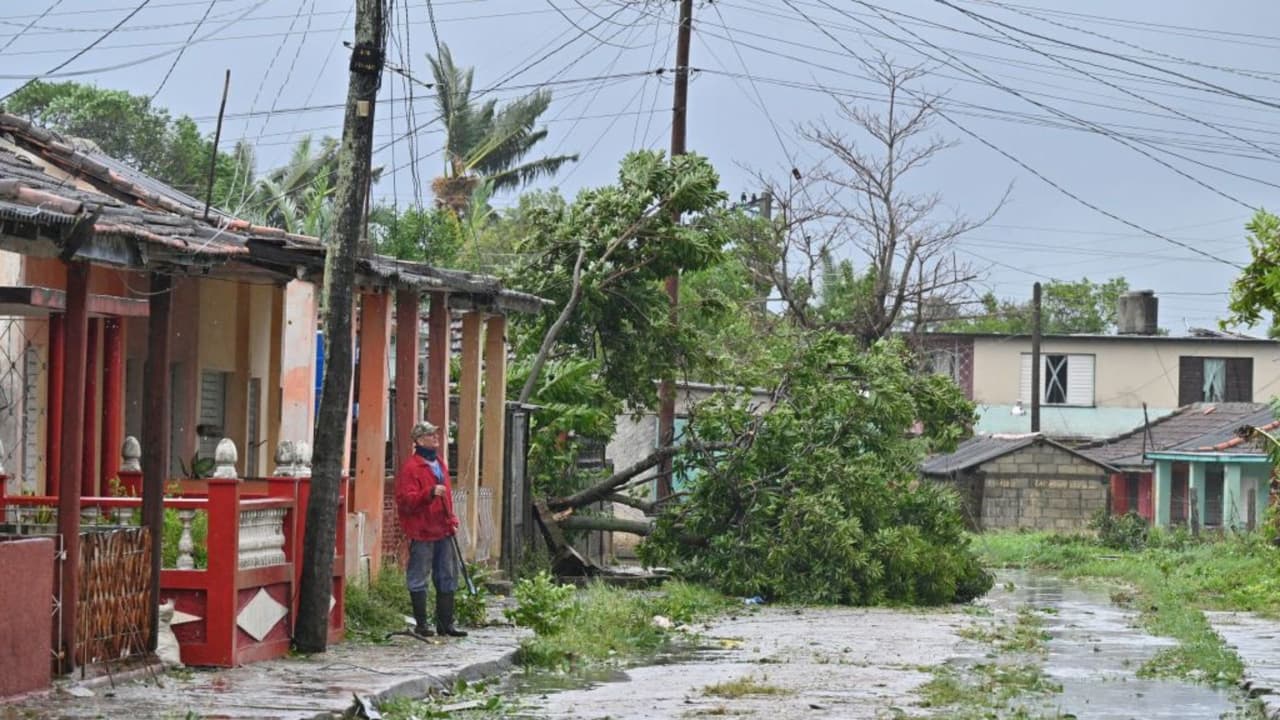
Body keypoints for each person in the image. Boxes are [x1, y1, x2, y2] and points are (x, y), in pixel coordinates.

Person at [393, 421, 468, 638]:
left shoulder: (440, 464)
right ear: (418, 440)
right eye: (429, 435)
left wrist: (451, 517)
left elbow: (447, 497)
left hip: (443, 528)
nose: (435, 439)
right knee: (419, 576)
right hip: (422, 531)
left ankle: (446, 624)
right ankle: (422, 624)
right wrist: (429, 493)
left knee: (447, 575)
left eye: (435, 435)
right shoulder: (411, 468)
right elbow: (405, 501)